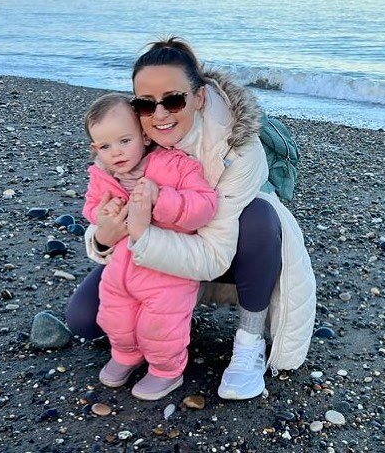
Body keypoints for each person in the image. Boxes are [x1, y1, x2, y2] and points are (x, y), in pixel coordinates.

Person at [66, 37, 316, 400]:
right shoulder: (132, 137)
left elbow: (214, 254)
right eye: (146, 104)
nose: (161, 114)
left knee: (260, 217)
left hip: (231, 255)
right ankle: (160, 319)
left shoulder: (237, 150)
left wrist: (143, 234)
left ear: (198, 98)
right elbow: (103, 210)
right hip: (150, 261)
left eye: (174, 100)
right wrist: (104, 237)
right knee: (84, 321)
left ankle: (248, 342)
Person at [82, 93, 217, 400]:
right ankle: (126, 354)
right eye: (105, 146)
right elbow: (90, 208)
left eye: (124, 141)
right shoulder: (103, 176)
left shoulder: (176, 165)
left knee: (161, 326)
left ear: (143, 135)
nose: (116, 152)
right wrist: (102, 217)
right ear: (95, 149)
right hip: (120, 268)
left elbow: (204, 205)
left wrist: (162, 198)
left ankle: (166, 371)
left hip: (167, 269)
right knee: (116, 317)